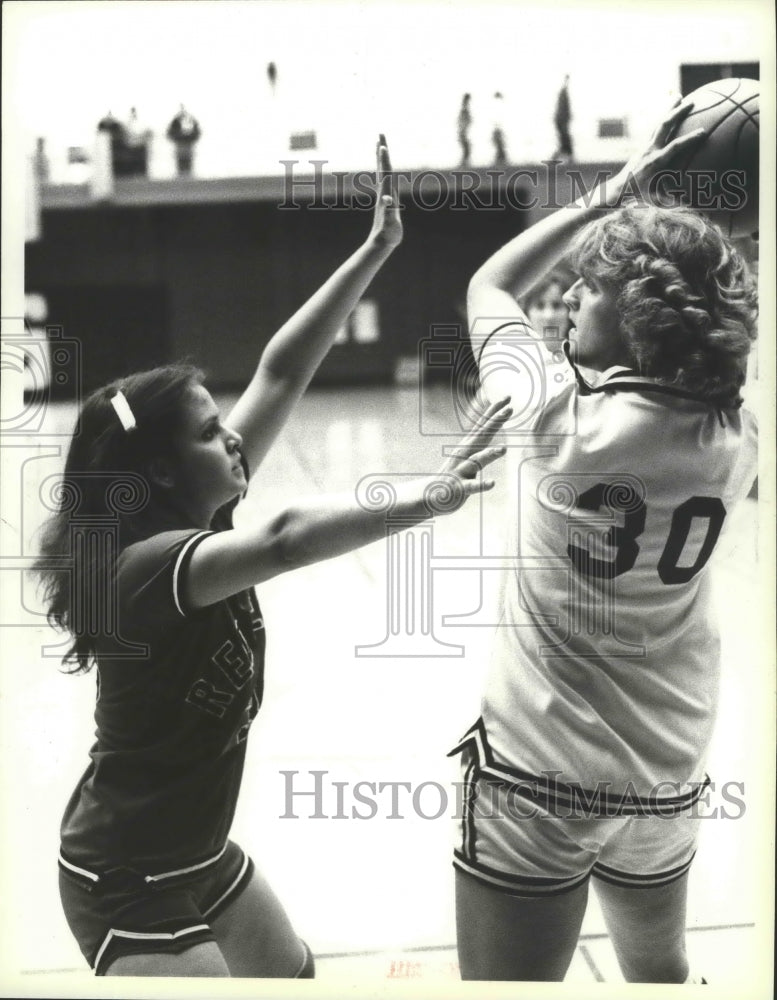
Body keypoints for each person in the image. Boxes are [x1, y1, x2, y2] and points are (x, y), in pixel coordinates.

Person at [33, 138, 511, 978]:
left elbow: (283, 369)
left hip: (198, 853)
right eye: (212, 433)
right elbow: (287, 538)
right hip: (124, 877)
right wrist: (424, 499)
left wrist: (375, 249)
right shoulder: (147, 568)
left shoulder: (202, 494)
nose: (234, 436)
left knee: (290, 976)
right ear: (161, 474)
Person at [452, 101, 758, 982]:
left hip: (536, 780)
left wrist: (611, 192)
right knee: (659, 977)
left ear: (634, 313)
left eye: (586, 287)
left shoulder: (552, 413)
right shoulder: (737, 438)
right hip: (666, 775)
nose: (566, 297)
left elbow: (491, 286)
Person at [167, 104, 202, 176]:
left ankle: (186, 175)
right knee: (182, 167)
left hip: (186, 147)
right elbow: (170, 133)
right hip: (182, 147)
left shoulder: (189, 125)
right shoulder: (176, 125)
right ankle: (183, 176)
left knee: (187, 168)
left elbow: (196, 132)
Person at [553, 74, 574, 162]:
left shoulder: (563, 93)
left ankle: (564, 154)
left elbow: (563, 107)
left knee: (564, 138)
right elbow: (563, 107)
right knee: (564, 138)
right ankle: (566, 155)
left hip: (561, 119)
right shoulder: (563, 93)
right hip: (561, 119)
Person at [457, 93, 473, 168]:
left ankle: (464, 163)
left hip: (463, 131)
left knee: (467, 147)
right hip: (463, 131)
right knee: (466, 147)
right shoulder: (464, 109)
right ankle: (464, 163)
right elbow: (463, 120)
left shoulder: (464, 108)